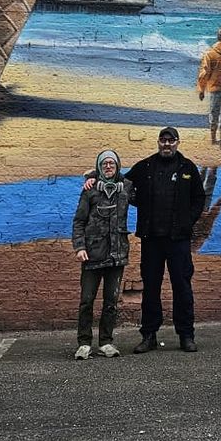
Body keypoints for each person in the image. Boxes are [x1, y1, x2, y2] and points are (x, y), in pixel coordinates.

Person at [124, 126, 209, 353]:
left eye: (171, 141)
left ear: (178, 143)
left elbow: (199, 198)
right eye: (163, 140)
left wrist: (187, 221)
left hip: (178, 240)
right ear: (158, 142)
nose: (167, 144)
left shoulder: (187, 167)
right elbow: (123, 184)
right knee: (151, 288)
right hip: (151, 238)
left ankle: (186, 335)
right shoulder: (145, 166)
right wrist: (95, 178)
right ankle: (149, 335)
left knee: (182, 287)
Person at [71, 149, 130, 360]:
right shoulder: (90, 190)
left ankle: (106, 342)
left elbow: (144, 193)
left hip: (116, 255)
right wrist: (79, 247)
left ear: (117, 166)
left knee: (111, 302)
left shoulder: (126, 188)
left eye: (111, 163)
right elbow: (79, 221)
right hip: (92, 255)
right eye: (104, 163)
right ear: (99, 166)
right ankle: (84, 343)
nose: (108, 167)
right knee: (87, 300)